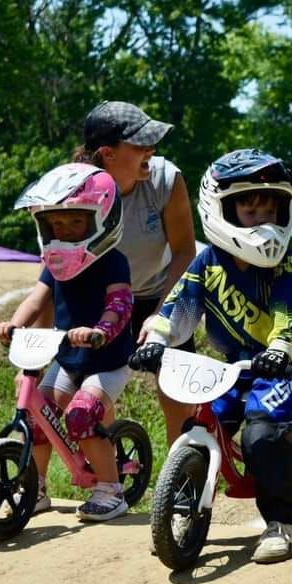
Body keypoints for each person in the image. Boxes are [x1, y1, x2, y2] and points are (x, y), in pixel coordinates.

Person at [129, 149, 292, 564]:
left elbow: (288, 311)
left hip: (277, 368)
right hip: (231, 368)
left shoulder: (282, 266)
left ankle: (284, 523)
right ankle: (180, 512)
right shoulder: (206, 261)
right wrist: (156, 339)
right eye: (250, 210)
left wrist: (280, 349)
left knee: (260, 435)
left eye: (270, 210)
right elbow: (177, 306)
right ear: (220, 209)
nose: (262, 221)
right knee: (203, 422)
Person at [0, 163, 135, 521]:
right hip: (68, 356)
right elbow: (36, 300)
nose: (64, 230)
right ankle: (35, 487)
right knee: (39, 416)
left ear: (102, 219)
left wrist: (101, 329)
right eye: (56, 223)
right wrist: (14, 324)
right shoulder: (54, 263)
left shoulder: (112, 262)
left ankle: (110, 490)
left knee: (82, 415)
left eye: (76, 222)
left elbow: (120, 303)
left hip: (108, 361)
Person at [73, 100, 198, 447]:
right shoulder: (75, 190)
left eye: (151, 143)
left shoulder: (165, 179)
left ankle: (182, 477)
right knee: (92, 388)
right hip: (104, 302)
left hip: (161, 293)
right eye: (139, 144)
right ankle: (109, 475)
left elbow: (186, 250)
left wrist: (162, 314)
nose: (151, 150)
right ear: (108, 154)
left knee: (176, 390)